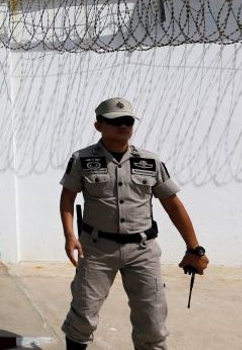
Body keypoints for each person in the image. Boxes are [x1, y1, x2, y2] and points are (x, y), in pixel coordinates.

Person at [59, 98, 209, 349]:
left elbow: (172, 204)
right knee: (82, 316)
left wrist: (194, 248)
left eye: (127, 121)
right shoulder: (82, 159)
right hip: (96, 249)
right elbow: (67, 198)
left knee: (152, 323)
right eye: (115, 121)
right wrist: (69, 235)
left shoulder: (150, 162)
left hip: (143, 251)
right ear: (98, 125)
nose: (123, 126)